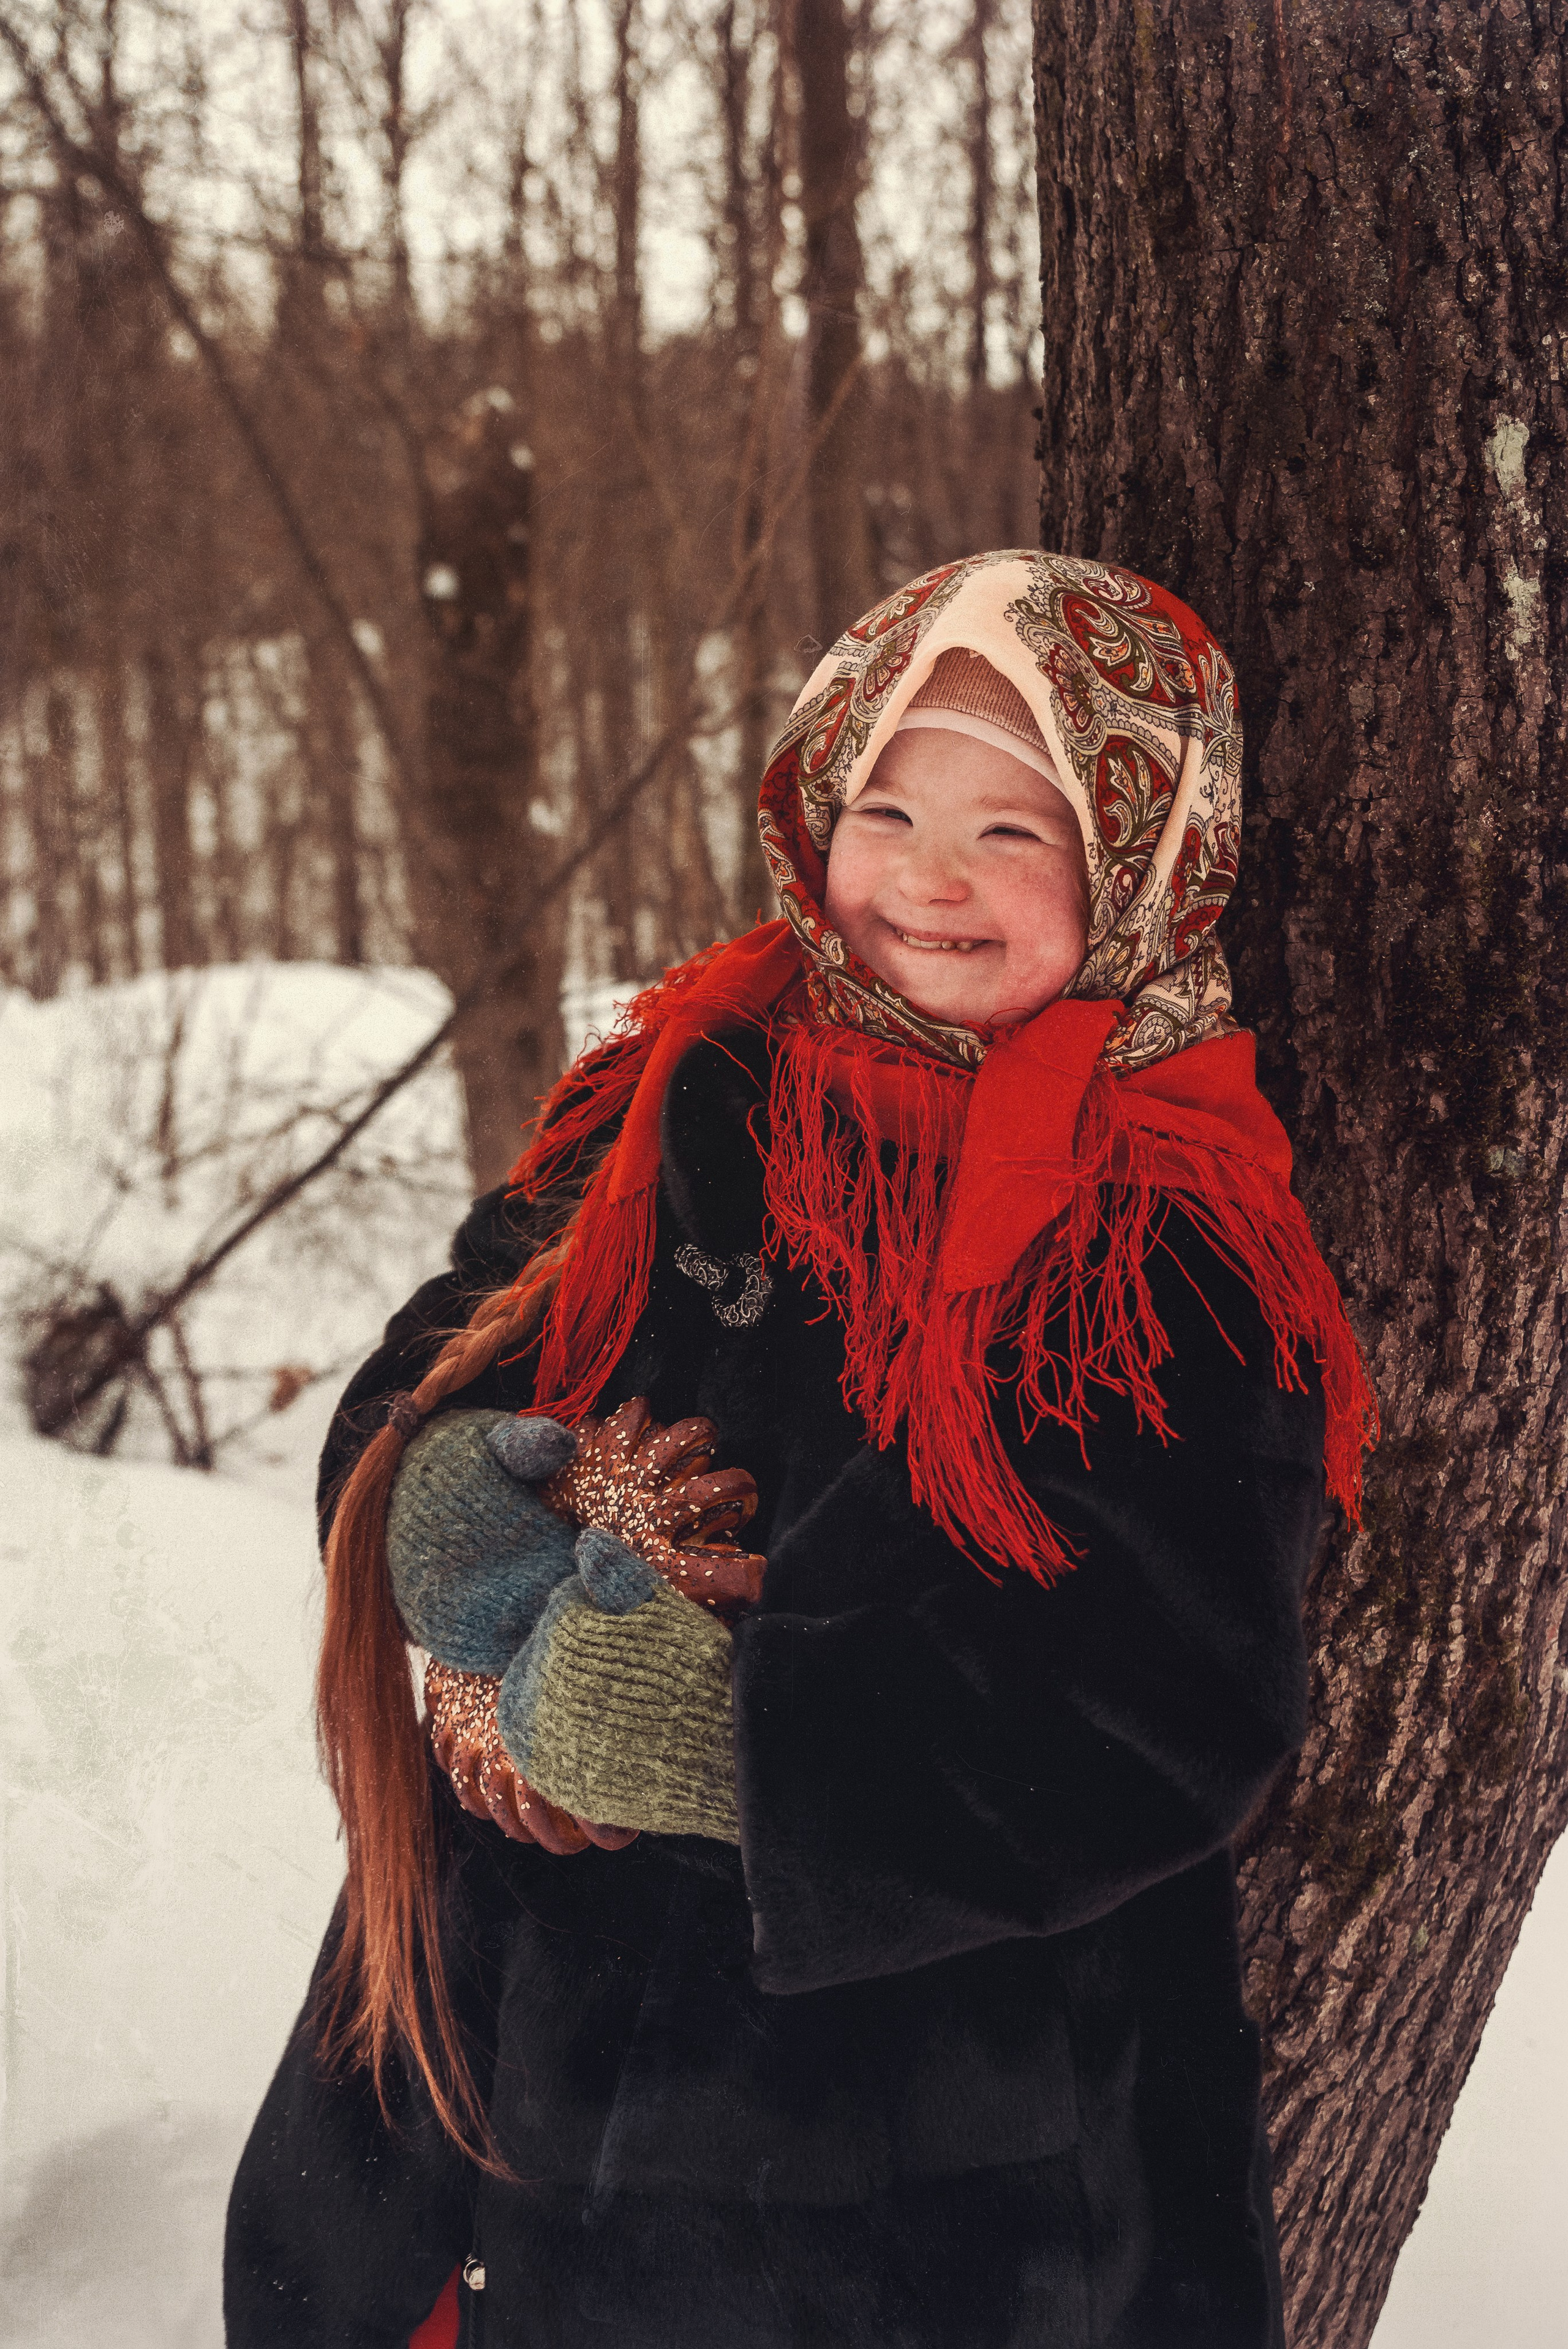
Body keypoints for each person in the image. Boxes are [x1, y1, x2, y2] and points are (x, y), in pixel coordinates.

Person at [225, 550, 1374, 2349]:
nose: (929, 872)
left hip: (923, 2194)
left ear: (1148, 853)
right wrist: (460, 1556)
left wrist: (728, 1746)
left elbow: (1170, 1705)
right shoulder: (692, 1079)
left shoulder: (1167, 1239)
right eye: (889, 801)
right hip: (503, 2086)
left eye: (1019, 829)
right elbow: (437, 1366)